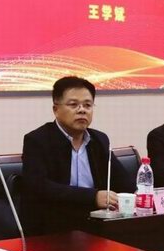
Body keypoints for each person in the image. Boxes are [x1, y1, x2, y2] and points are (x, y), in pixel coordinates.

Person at [22, 76, 134, 235]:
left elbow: (122, 180)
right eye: (73, 104)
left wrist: (139, 193)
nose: (82, 110)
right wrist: (93, 197)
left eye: (88, 105)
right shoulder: (37, 140)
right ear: (56, 109)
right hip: (53, 226)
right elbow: (39, 186)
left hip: (95, 224)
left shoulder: (99, 139)